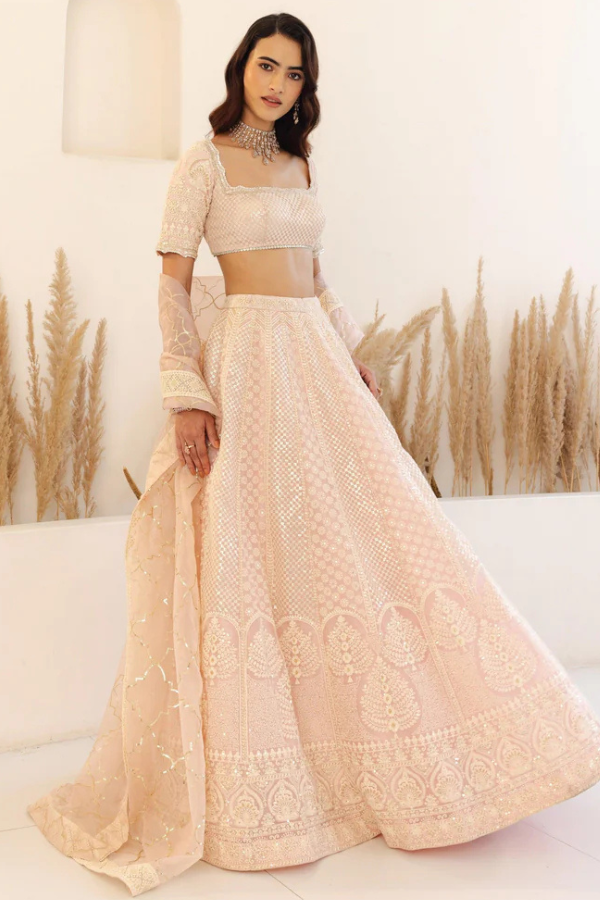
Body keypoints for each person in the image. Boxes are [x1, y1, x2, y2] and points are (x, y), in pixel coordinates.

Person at [27, 12, 600, 897]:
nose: (277, 85)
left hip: (317, 363)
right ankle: (274, 772)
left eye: (294, 74)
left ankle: (419, 751)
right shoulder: (204, 162)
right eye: (267, 66)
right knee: (254, 552)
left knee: (379, 539)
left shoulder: (299, 162)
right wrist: (186, 390)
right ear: (241, 68)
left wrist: (350, 346)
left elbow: (316, 273)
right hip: (249, 367)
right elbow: (172, 285)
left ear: (305, 87)